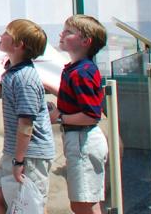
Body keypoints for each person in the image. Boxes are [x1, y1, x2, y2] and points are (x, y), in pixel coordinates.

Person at [0, 19, 54, 214]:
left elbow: (26, 124)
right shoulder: (13, 71)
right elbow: (1, 84)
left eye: (6, 33)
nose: (1, 36)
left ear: (18, 45)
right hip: (14, 151)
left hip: (30, 154)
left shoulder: (25, 78)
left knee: (30, 205)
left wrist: (19, 161)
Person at [47, 14, 108, 214]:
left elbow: (91, 114)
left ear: (85, 41)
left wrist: (59, 117)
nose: (62, 34)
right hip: (80, 140)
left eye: (69, 32)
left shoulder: (81, 72)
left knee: (82, 204)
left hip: (83, 140)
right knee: (85, 201)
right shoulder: (78, 69)